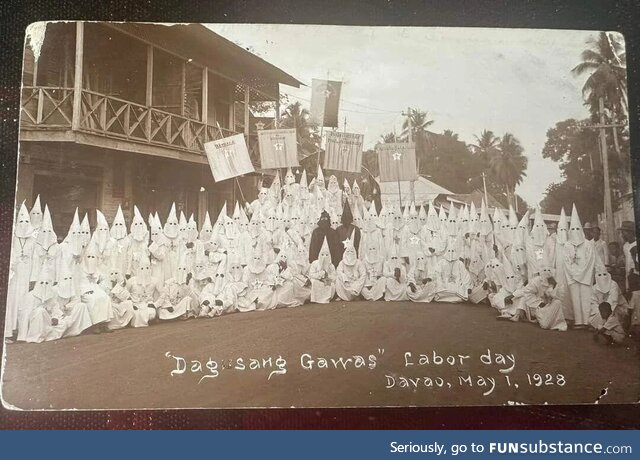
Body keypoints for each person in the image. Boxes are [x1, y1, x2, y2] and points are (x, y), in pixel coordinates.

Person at [6, 202, 36, 339]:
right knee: (13, 300)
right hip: (15, 274)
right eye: (21, 221)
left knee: (24, 301)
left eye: (26, 221)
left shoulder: (33, 240)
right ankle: (10, 329)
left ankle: (21, 330)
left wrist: (33, 278)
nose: (24, 224)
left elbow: (36, 259)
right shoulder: (13, 238)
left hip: (27, 273)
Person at [564, 205, 596, 329]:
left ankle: (587, 322)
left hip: (585, 276)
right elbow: (566, 262)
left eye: (578, 228)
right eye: (574, 229)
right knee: (575, 299)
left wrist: (581, 274)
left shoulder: (587, 244)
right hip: (573, 276)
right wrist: (574, 274)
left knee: (586, 298)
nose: (576, 231)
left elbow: (590, 261)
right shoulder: (567, 245)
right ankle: (578, 321)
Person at [511, 265, 567, 331]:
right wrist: (539, 303)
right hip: (537, 306)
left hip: (550, 305)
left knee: (558, 302)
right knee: (545, 324)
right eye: (544, 270)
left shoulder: (555, 282)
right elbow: (527, 293)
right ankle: (545, 321)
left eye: (549, 270)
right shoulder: (535, 281)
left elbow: (560, 296)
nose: (546, 272)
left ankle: (555, 323)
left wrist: (553, 287)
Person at [588, 258, 622, 330]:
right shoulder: (594, 288)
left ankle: (604, 327)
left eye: (604, 274)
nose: (602, 277)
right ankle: (601, 326)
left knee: (613, 318)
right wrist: (599, 311)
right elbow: (593, 302)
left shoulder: (613, 285)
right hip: (601, 310)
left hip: (616, 308)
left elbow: (614, 301)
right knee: (596, 315)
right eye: (599, 275)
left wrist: (606, 312)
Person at [335, 236, 366, 301]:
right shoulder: (342, 262)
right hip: (345, 282)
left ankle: (355, 295)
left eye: (351, 251)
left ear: (354, 252)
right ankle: (342, 296)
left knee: (360, 283)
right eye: (348, 251)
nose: (349, 253)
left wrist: (357, 285)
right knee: (337, 279)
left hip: (355, 282)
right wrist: (344, 278)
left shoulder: (358, 262)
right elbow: (339, 271)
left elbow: (363, 274)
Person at [308, 237, 336, 304]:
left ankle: (326, 298)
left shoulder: (331, 265)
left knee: (331, 285)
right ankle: (316, 299)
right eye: (322, 255)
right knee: (314, 282)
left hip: (327, 280)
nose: (324, 257)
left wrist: (327, 276)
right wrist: (319, 275)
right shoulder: (315, 263)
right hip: (317, 279)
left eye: (326, 255)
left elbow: (334, 276)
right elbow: (311, 274)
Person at [620, 221, 638, 290]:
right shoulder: (625, 246)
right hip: (629, 278)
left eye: (623, 232)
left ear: (630, 232)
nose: (622, 235)